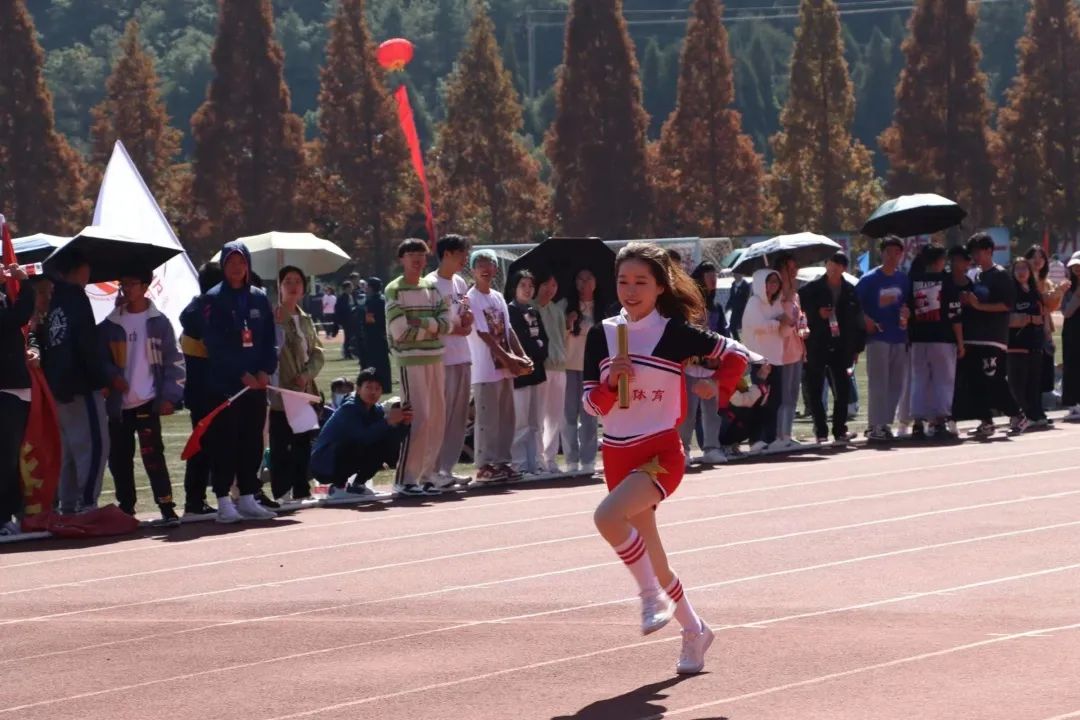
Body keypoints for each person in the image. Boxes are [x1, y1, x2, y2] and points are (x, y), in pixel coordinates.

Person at [584, 242, 750, 675]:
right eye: (623, 281)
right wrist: (609, 385)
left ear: (660, 287)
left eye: (641, 282)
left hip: (658, 453)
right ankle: (695, 630)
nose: (631, 290)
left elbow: (735, 354)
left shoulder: (674, 333)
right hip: (616, 454)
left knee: (606, 518)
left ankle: (648, 597)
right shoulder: (602, 334)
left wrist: (719, 386)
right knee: (654, 558)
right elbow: (591, 405)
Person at [100, 269, 185, 525]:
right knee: (120, 458)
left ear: (146, 286)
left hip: (148, 400)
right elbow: (99, 358)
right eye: (123, 283)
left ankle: (166, 505)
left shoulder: (158, 321)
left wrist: (170, 396)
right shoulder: (110, 323)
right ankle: (127, 508)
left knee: (153, 454)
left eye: (132, 283)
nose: (127, 288)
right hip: (118, 405)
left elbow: (174, 360)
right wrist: (111, 377)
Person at [202, 241, 278, 523]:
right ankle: (224, 500)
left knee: (252, 441)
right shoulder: (213, 299)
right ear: (223, 266)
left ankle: (248, 495)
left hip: (256, 385)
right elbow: (215, 344)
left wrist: (265, 369)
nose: (237, 268)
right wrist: (239, 373)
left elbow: (270, 338)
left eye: (242, 262)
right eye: (231, 263)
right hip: (226, 386)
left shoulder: (259, 297)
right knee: (226, 442)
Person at [38, 248, 111, 515]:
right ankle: (88, 503)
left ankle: (68, 505)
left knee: (69, 449)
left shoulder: (56, 302)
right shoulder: (77, 298)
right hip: (81, 384)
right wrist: (100, 378)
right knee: (94, 445)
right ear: (80, 270)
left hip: (58, 386)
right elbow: (86, 343)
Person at [385, 238, 450, 496]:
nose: (417, 260)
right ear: (401, 259)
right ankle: (406, 479)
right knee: (418, 419)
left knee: (436, 419)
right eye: (411, 255)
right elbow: (399, 331)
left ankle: (426, 476)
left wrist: (419, 322)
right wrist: (431, 326)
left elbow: (447, 325)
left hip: (435, 359)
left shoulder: (433, 288)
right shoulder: (394, 290)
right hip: (410, 362)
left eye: (421, 255)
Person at [466, 250, 532, 482]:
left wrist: (522, 356)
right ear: (473, 270)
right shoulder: (471, 297)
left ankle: (502, 462)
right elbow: (484, 334)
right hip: (485, 369)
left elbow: (508, 329)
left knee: (507, 418)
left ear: (496, 269)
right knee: (488, 420)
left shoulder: (497, 296)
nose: (486, 269)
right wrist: (510, 359)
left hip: (504, 369)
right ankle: (485, 465)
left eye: (490, 264)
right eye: (480, 265)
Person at [959, 232, 1027, 438]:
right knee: (974, 381)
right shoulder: (975, 275)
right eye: (972, 253)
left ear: (989, 251)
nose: (975, 256)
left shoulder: (1000, 275)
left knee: (994, 379)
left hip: (993, 337)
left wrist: (979, 305)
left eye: (978, 252)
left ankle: (1018, 415)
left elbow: (1006, 305)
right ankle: (985, 421)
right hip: (973, 336)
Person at [309, 368, 411, 501]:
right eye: (368, 387)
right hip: (324, 464)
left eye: (377, 388)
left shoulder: (376, 410)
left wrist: (404, 424)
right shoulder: (349, 408)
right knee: (354, 443)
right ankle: (337, 488)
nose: (373, 392)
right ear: (358, 389)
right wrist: (388, 421)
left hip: (337, 459)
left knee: (383, 441)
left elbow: (389, 443)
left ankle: (358, 485)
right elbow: (361, 437)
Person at [269, 265, 325, 502]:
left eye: (297, 282)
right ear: (279, 287)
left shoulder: (306, 318)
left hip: (305, 390)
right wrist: (279, 326)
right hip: (283, 392)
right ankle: (282, 491)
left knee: (303, 442)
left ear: (304, 288)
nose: (293, 286)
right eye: (287, 281)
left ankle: (302, 488)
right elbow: (274, 351)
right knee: (281, 444)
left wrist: (307, 375)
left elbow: (317, 352)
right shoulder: (272, 317)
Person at [799, 251, 863, 445]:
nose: (833, 267)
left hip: (841, 346)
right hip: (817, 343)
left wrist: (856, 348)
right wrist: (817, 313)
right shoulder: (811, 289)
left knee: (842, 390)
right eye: (829, 263)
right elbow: (800, 312)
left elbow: (857, 321)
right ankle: (821, 431)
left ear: (844, 268)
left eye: (838, 264)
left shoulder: (850, 290)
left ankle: (839, 430)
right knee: (815, 390)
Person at [426, 234, 475, 488]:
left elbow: (466, 316)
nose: (464, 260)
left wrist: (467, 320)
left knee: (458, 418)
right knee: (440, 416)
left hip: (463, 356)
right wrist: (455, 328)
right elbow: (431, 324)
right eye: (460, 255)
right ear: (446, 254)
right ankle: (431, 470)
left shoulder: (459, 282)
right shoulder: (429, 284)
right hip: (441, 359)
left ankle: (446, 469)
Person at [855, 236, 911, 443]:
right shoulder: (869, 279)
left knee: (896, 383)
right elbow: (854, 305)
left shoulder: (903, 279)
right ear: (882, 253)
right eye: (889, 252)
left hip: (899, 336)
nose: (893, 256)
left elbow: (907, 304)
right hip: (877, 337)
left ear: (901, 254)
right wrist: (866, 319)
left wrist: (907, 313)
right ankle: (875, 425)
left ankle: (884, 423)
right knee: (879, 382)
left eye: (897, 252)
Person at [178, 262, 222, 519]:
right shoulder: (199, 312)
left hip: (204, 389)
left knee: (207, 445)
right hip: (205, 390)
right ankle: (195, 500)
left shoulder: (198, 309)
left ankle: (201, 498)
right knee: (203, 445)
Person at [905, 245, 963, 439]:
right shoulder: (947, 281)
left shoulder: (912, 280)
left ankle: (918, 422)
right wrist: (961, 342)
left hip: (918, 338)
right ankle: (939, 421)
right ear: (938, 261)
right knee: (943, 380)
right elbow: (955, 315)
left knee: (919, 380)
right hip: (943, 338)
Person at [679, 263, 728, 465]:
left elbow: (725, 333)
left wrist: (721, 354)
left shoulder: (716, 307)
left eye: (715, 275)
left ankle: (711, 447)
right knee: (689, 410)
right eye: (709, 275)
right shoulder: (688, 306)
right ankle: (683, 449)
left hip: (712, 366)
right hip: (691, 364)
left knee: (712, 409)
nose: (713, 279)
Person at [0, 264, 35, 536]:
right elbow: (19, 317)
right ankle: (4, 517)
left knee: (13, 458)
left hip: (14, 388)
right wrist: (24, 284)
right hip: (6, 389)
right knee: (6, 458)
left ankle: (15, 513)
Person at [740, 268, 789, 452]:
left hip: (776, 358)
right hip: (760, 359)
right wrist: (778, 322)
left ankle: (770, 437)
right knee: (760, 399)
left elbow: (783, 331)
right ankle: (755, 439)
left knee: (775, 400)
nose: (774, 286)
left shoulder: (776, 304)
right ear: (761, 284)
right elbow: (758, 326)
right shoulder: (754, 303)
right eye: (770, 282)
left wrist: (788, 323)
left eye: (777, 282)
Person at [507, 270, 549, 477]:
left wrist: (540, 349)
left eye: (530, 286)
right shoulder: (510, 311)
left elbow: (543, 339)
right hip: (521, 374)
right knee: (521, 421)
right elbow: (521, 341)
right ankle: (520, 463)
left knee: (536, 422)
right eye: (523, 285)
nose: (527, 289)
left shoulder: (534, 310)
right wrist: (535, 347)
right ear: (514, 288)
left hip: (538, 372)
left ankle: (537, 462)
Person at [562, 268, 602, 474]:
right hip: (568, 366)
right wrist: (568, 324)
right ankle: (571, 460)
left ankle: (588, 460)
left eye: (589, 278)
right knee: (568, 415)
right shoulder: (564, 306)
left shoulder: (602, 308)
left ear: (595, 283)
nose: (584, 283)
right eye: (580, 278)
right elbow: (556, 337)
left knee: (590, 414)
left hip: (592, 370)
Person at [772, 253, 807, 449]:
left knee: (793, 393)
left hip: (797, 349)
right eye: (789, 268)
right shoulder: (775, 298)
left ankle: (788, 432)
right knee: (784, 395)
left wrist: (804, 327)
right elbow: (776, 325)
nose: (794, 272)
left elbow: (799, 320)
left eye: (795, 268)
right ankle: (780, 435)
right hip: (782, 352)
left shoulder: (796, 296)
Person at [1025, 246, 1065, 416]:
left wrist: (1059, 293)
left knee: (1043, 371)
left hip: (1043, 330)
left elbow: (1051, 308)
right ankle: (1028, 409)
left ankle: (1037, 409)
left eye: (1041, 257)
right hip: (1025, 330)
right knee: (1028, 371)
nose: (1037, 260)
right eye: (1033, 256)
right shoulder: (1023, 281)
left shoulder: (1046, 282)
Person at [534, 272, 568, 475]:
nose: (550, 288)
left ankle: (550, 458)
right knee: (539, 415)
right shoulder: (531, 308)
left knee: (555, 416)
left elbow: (561, 336)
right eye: (546, 284)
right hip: (542, 366)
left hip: (559, 366)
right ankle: (537, 458)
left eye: (554, 285)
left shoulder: (557, 310)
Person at [1006, 258, 1047, 426]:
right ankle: (1020, 416)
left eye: (1024, 268)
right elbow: (1009, 319)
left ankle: (1035, 414)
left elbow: (1042, 316)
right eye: (1018, 269)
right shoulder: (1010, 292)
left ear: (1030, 272)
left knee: (1034, 382)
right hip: (1016, 344)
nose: (1021, 272)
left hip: (1035, 344)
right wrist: (1029, 318)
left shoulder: (1035, 292)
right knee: (1018, 383)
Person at [361, 277, 392, 391]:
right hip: (384, 334)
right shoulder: (384, 299)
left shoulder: (370, 301)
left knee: (373, 363)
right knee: (384, 362)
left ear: (371, 287)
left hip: (373, 336)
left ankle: (375, 385)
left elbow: (369, 319)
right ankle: (386, 385)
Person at [1061, 255, 1080, 421]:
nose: (1078, 270)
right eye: (1075, 266)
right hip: (1072, 331)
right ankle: (1073, 403)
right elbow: (1066, 312)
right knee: (1072, 364)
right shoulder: (1068, 288)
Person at [335, 281, 357, 359]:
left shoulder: (350, 296)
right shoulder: (342, 297)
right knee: (348, 337)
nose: (352, 288)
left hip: (352, 320)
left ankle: (350, 352)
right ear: (347, 288)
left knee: (350, 337)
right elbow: (340, 309)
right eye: (351, 287)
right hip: (346, 320)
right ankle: (347, 353)